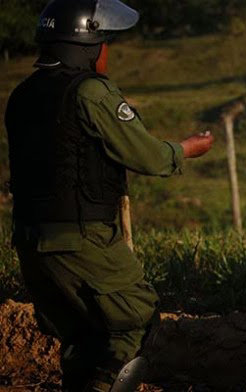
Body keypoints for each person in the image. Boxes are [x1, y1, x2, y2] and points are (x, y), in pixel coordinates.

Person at [4, 0, 214, 390]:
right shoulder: (91, 92)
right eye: (106, 42)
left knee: (82, 337)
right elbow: (148, 157)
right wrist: (186, 149)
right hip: (85, 239)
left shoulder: (22, 95)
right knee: (135, 321)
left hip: (30, 242)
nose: (109, 52)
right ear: (88, 45)